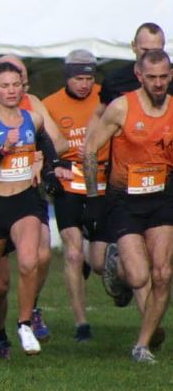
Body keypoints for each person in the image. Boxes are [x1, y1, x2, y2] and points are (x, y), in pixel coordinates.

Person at [0, 61, 70, 368]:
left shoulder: (33, 119)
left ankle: (24, 325)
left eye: (16, 85)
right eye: (4, 86)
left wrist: (51, 171)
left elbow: (49, 149)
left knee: (29, 261)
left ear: (23, 88)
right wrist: (3, 151)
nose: (11, 91)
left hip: (24, 202)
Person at [82, 49, 173, 363]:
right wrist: (93, 199)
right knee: (138, 277)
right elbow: (90, 149)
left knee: (162, 273)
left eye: (163, 77)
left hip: (162, 199)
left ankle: (142, 345)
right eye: (152, 77)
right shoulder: (121, 108)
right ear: (139, 76)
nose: (158, 83)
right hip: (124, 201)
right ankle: (116, 265)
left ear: (170, 75)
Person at [42, 49, 111, 342]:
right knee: (71, 252)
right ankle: (81, 323)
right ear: (67, 77)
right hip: (70, 184)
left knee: (98, 262)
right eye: (78, 78)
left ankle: (92, 260)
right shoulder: (50, 105)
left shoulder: (107, 98)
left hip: (102, 184)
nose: (84, 84)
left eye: (89, 77)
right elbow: (44, 146)